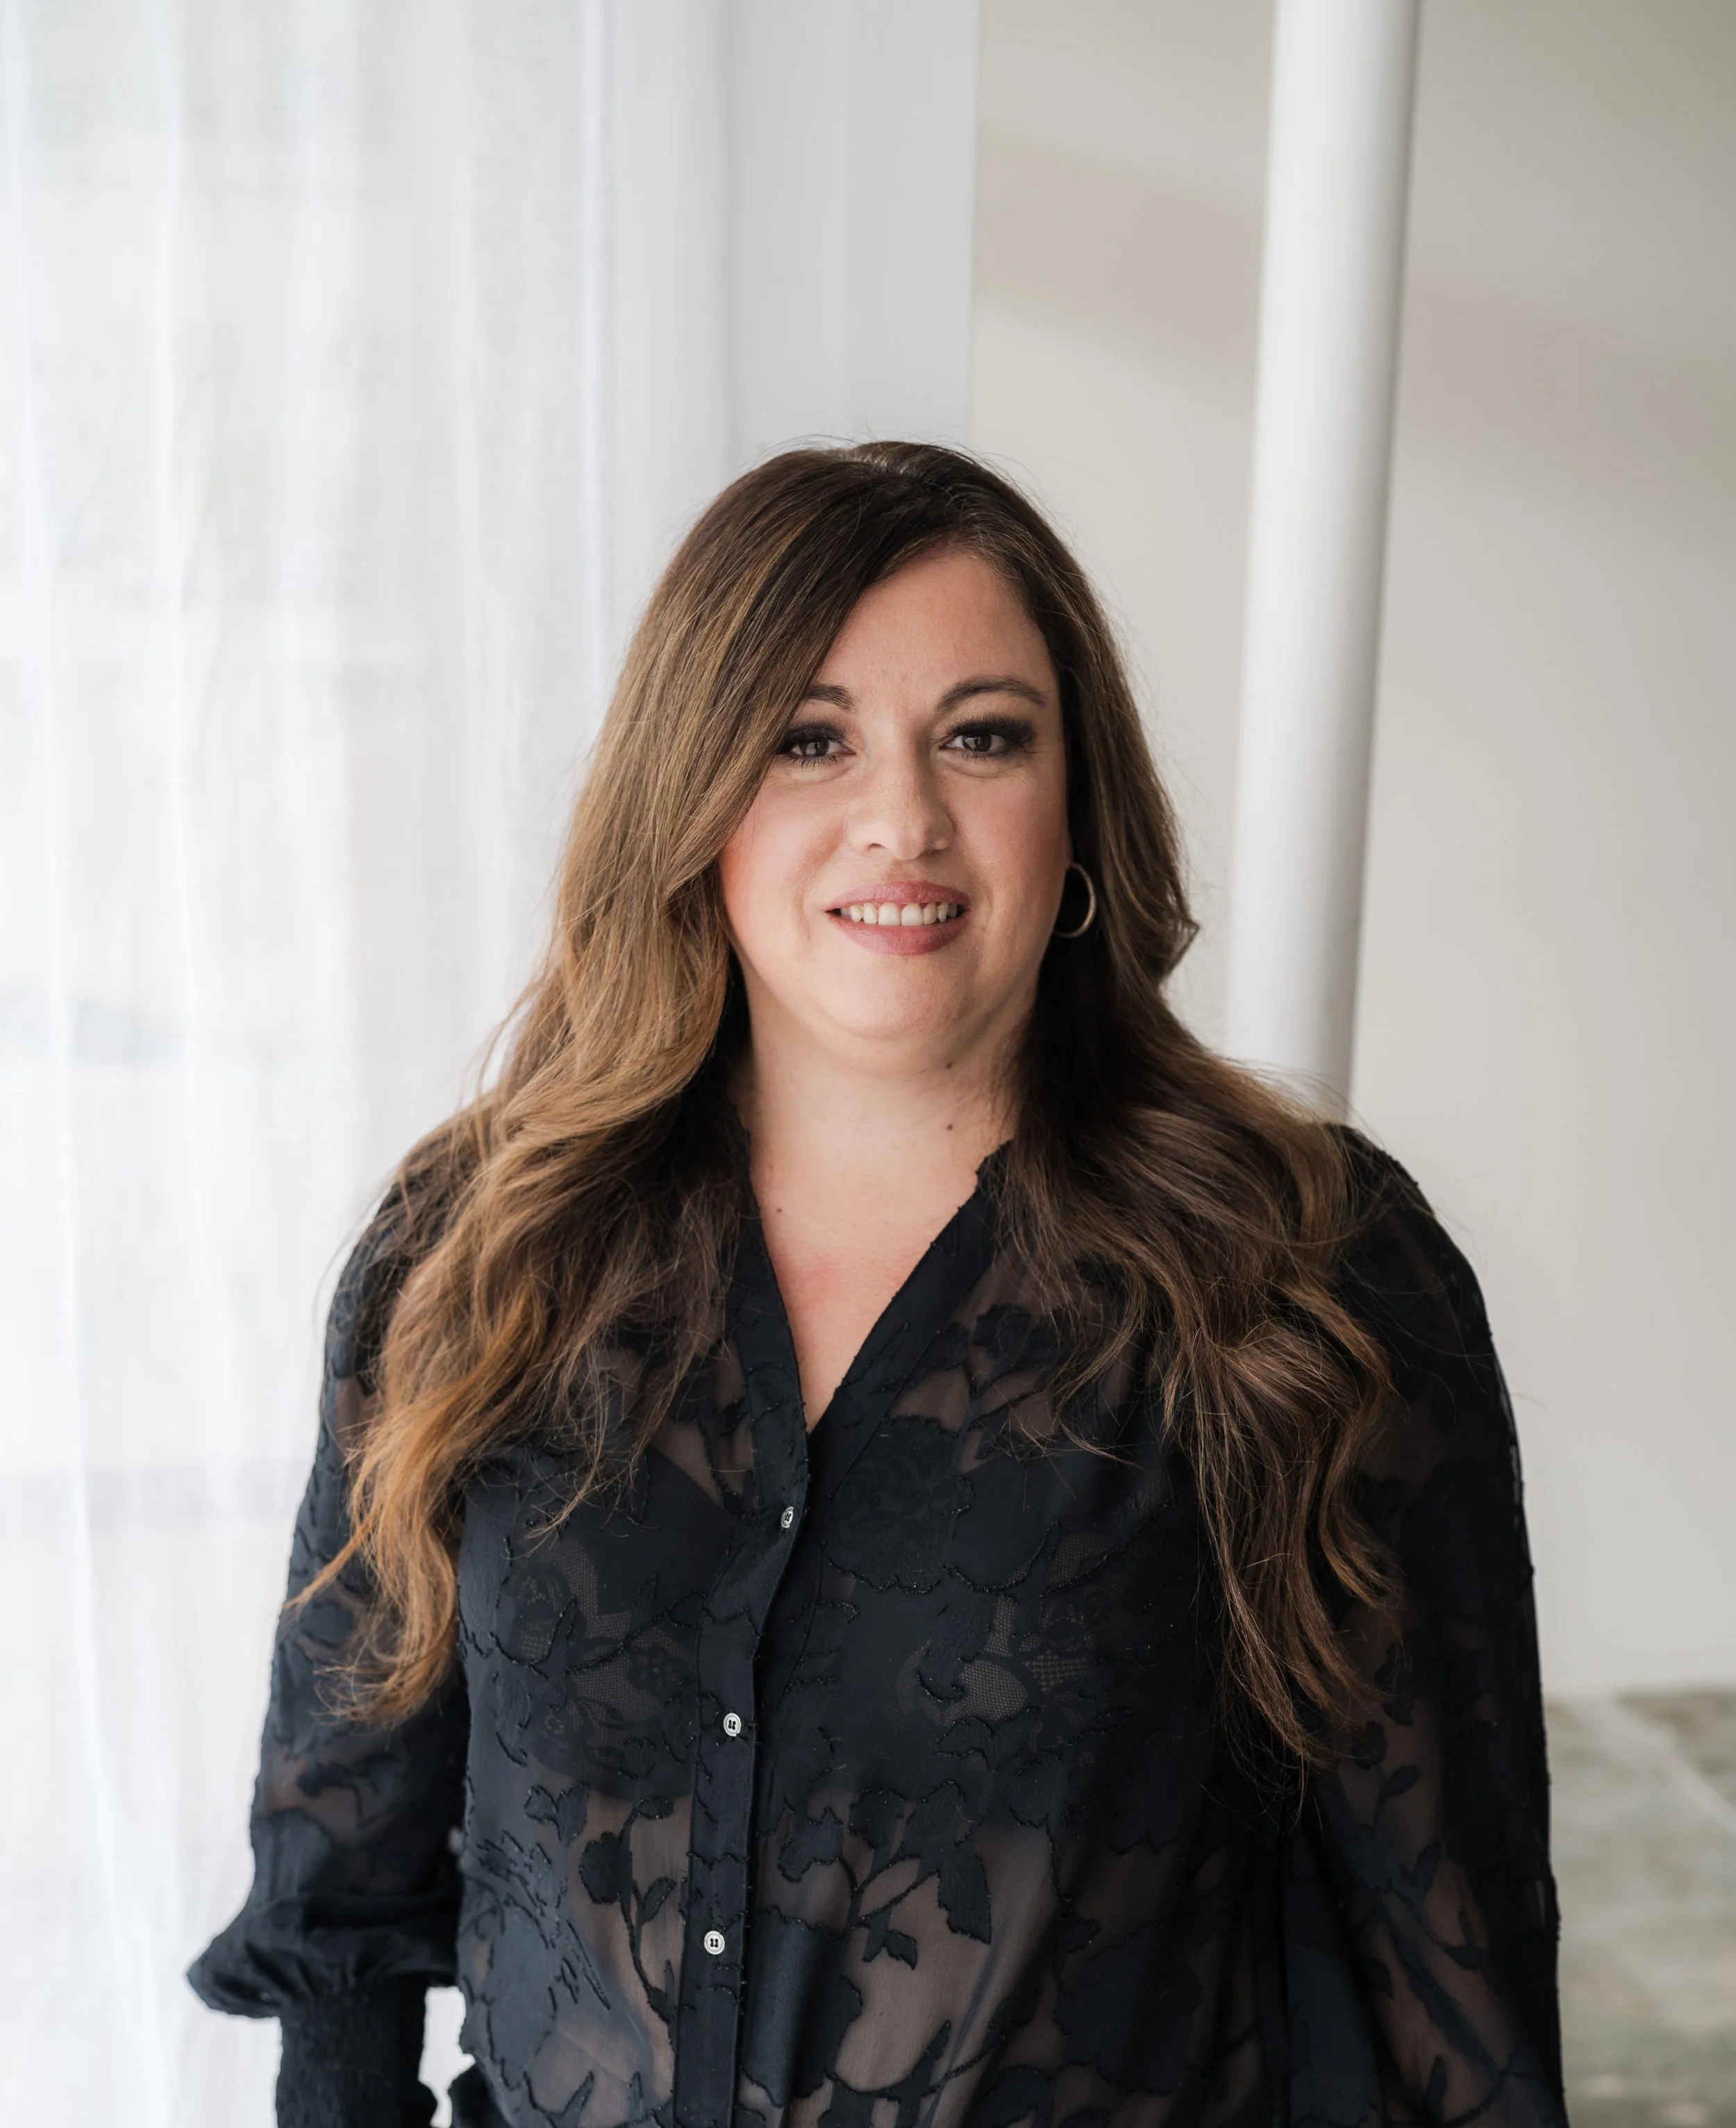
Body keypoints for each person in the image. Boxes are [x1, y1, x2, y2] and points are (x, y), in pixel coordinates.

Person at [190, 443, 1565, 2128]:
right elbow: (341, 1897)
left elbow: (1452, 1986)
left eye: (980, 736)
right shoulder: (476, 1253)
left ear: (1077, 807)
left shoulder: (1296, 1273)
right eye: (808, 738)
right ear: (692, 800)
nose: (899, 816)